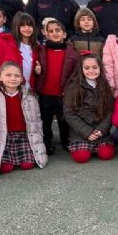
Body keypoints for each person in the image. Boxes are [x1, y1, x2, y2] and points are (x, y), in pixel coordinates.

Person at [0, 61, 47, 173]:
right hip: (3, 136)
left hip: (25, 136)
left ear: (21, 79)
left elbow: (37, 118)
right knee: (5, 168)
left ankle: (22, 158)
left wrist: (39, 135)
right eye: (8, 75)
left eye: (17, 76)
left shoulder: (29, 96)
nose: (13, 78)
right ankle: (8, 160)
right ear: (0, 77)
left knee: (28, 165)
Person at [34, 18, 79, 154]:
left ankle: (66, 142)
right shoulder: (40, 50)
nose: (54, 33)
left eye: (58, 30)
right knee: (46, 120)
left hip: (63, 93)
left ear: (64, 34)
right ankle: (48, 143)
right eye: (51, 31)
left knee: (64, 119)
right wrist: (37, 71)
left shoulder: (72, 53)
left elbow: (76, 74)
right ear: (45, 34)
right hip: (45, 92)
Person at [63, 53, 115, 163]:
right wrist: (86, 132)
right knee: (81, 157)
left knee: (106, 154)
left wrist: (101, 130)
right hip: (81, 132)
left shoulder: (105, 86)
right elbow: (69, 113)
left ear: (100, 68)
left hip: (100, 131)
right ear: (81, 69)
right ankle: (85, 145)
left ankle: (98, 144)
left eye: (95, 67)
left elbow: (110, 111)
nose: (91, 71)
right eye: (87, 68)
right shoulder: (73, 87)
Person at [10, 12, 40, 91]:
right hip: (15, 88)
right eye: (23, 25)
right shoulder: (11, 45)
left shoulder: (37, 47)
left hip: (30, 89)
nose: (27, 28)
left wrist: (39, 70)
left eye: (30, 25)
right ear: (17, 27)